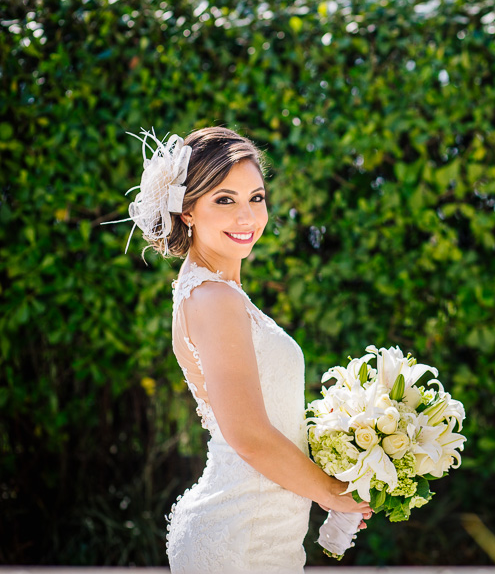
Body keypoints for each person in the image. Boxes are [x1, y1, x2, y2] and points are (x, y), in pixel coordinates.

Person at [109, 126, 372, 572]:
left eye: (256, 197)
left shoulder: (216, 294)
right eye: (225, 200)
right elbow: (248, 436)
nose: (247, 217)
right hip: (239, 538)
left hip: (264, 534)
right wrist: (330, 492)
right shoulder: (214, 299)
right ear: (187, 210)